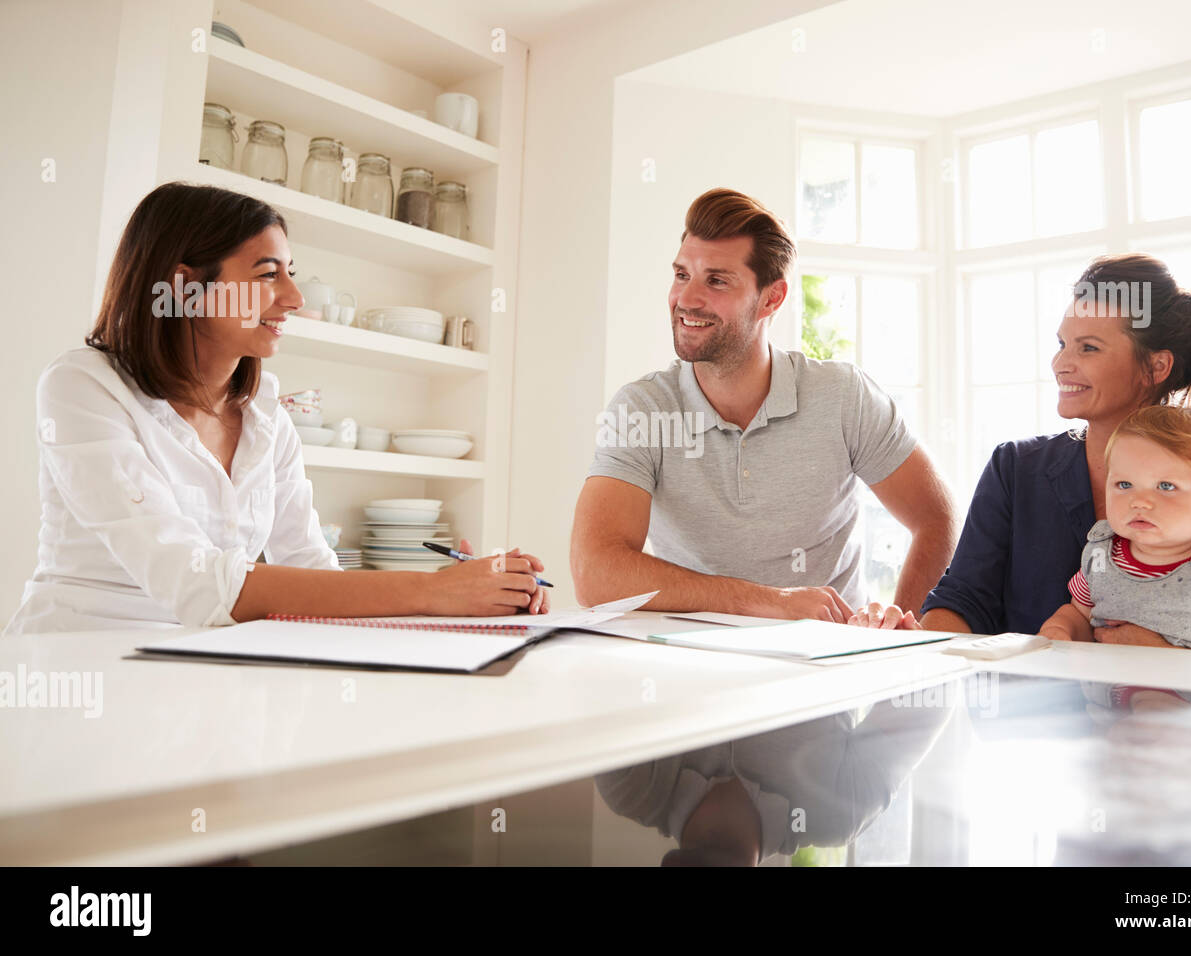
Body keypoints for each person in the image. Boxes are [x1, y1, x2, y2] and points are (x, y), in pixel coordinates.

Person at [4, 183, 548, 635]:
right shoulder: (83, 388)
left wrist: (475, 599)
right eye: (268, 274)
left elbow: (310, 570)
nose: (294, 298)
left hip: (206, 671)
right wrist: (435, 590)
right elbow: (196, 582)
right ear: (185, 287)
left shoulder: (267, 418)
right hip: (84, 663)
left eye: (290, 273)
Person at [854, 253, 1191, 650]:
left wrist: (1168, 658)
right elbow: (966, 602)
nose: (1061, 363)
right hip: (1026, 731)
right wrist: (916, 648)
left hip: (1179, 738)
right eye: (1062, 343)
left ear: (1156, 367)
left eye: (1088, 347)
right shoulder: (1014, 469)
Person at [570, 187, 957, 622]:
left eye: (716, 280)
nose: (687, 299)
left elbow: (935, 518)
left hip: (826, 665)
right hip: (688, 666)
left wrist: (898, 633)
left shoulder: (844, 395)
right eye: (682, 275)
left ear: (771, 298)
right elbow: (594, 571)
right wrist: (772, 601)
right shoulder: (642, 409)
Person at [1039, 405, 1191, 655]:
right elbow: (1081, 614)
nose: (1139, 501)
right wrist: (1061, 630)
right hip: (1102, 693)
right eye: (1124, 484)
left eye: (1166, 486)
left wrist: (1166, 657)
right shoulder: (1101, 552)